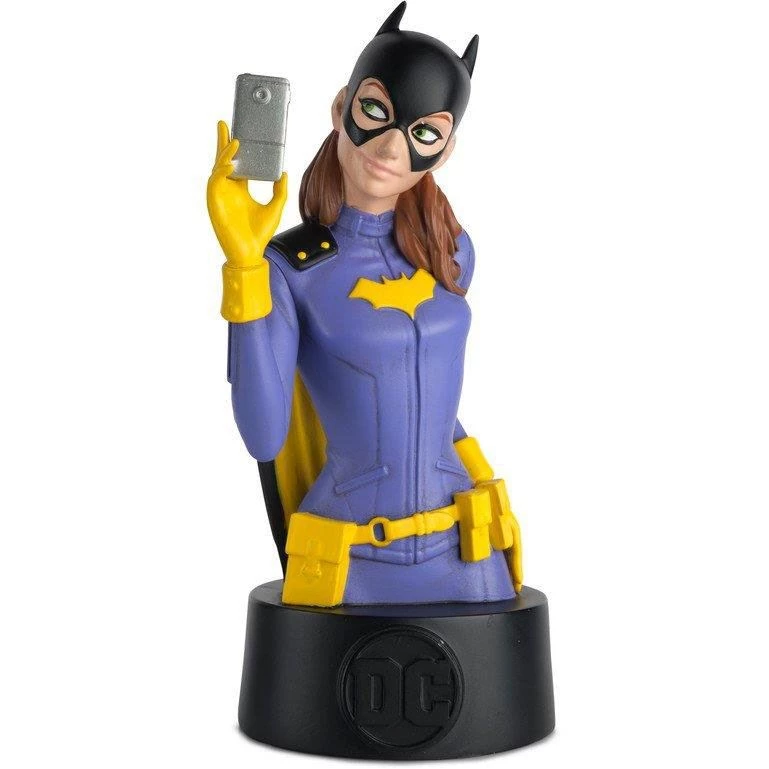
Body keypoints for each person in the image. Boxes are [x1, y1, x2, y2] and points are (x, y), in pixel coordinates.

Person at [207, 2, 522, 606]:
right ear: (340, 107)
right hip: (347, 558)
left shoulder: (451, 253)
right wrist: (244, 266)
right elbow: (264, 437)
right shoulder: (293, 268)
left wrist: (482, 473)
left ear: (445, 151)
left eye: (423, 133)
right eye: (376, 111)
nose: (390, 146)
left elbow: (432, 406)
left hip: (465, 546)